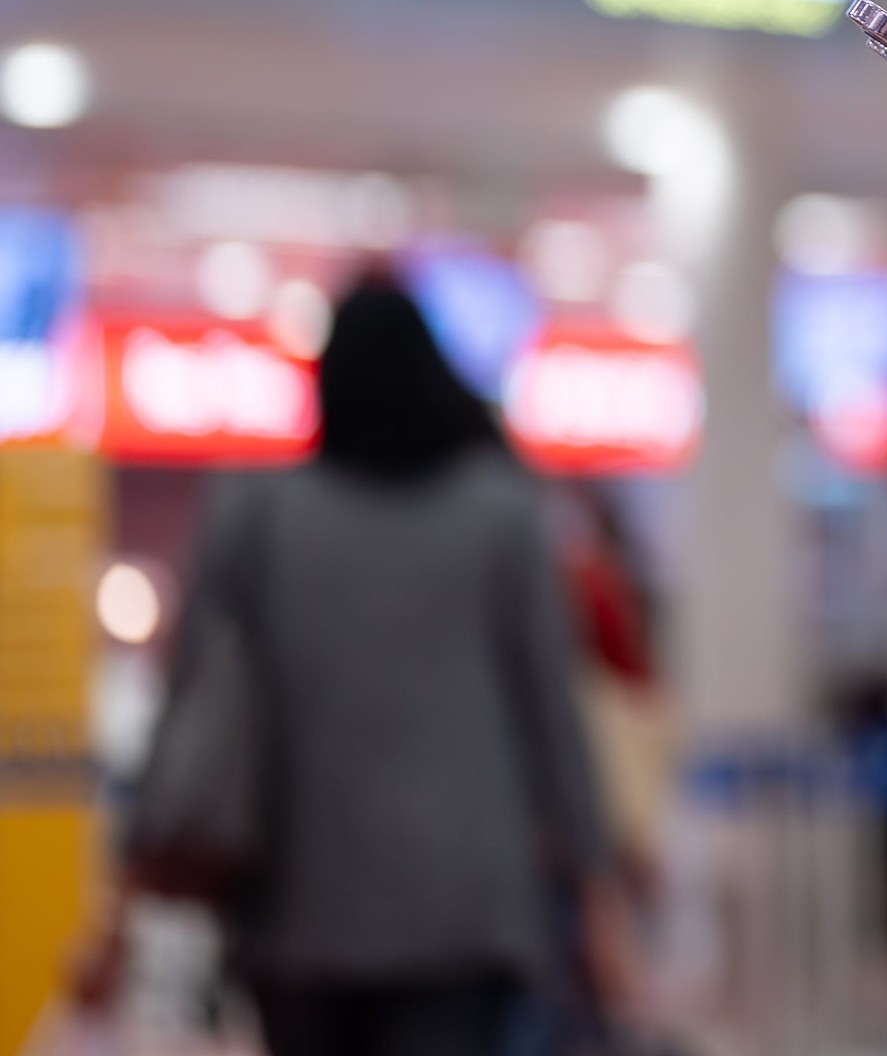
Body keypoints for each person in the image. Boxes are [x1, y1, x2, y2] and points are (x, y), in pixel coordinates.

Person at [79, 278, 627, 1056]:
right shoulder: (501, 518)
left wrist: (122, 898)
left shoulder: (257, 515)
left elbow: (190, 709)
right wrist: (598, 897)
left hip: (300, 908)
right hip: (464, 909)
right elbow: (552, 716)